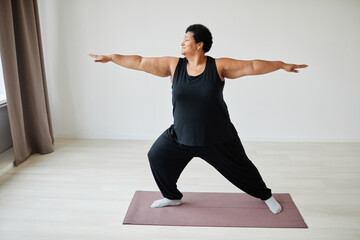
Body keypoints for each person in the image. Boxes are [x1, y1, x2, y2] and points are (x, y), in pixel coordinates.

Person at [89, 24, 308, 214]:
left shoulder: (218, 66)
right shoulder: (174, 65)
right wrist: (111, 58)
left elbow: (251, 66)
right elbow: (139, 61)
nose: (181, 43)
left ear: (199, 44)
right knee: (156, 156)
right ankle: (172, 196)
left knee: (243, 169)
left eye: (186, 39)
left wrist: (280, 64)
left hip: (217, 137)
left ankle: (266, 196)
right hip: (181, 135)